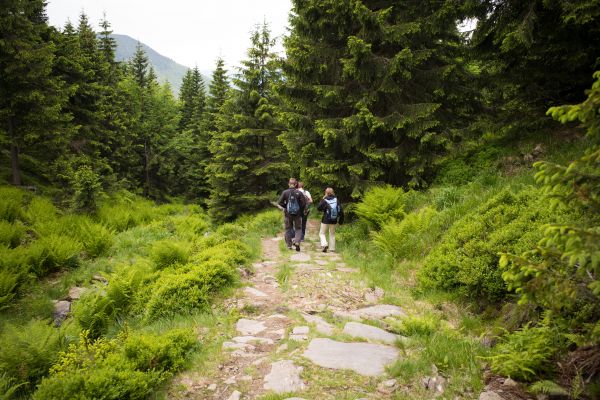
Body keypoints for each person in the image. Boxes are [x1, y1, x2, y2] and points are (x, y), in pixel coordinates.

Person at [278, 178, 306, 251]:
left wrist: (286, 207)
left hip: (288, 214)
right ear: (296, 184)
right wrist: (300, 210)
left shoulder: (285, 192)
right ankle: (297, 242)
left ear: (289, 184)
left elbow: (279, 202)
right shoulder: (299, 193)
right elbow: (304, 203)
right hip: (297, 214)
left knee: (288, 229)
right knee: (298, 228)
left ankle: (289, 245)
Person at [317, 187, 343, 252]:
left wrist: (322, 200)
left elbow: (318, 208)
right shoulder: (336, 200)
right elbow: (341, 211)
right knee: (332, 234)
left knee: (322, 233)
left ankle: (324, 244)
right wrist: (340, 221)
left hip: (325, 219)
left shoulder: (324, 200)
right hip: (334, 220)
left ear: (326, 193)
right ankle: (332, 249)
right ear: (332, 192)